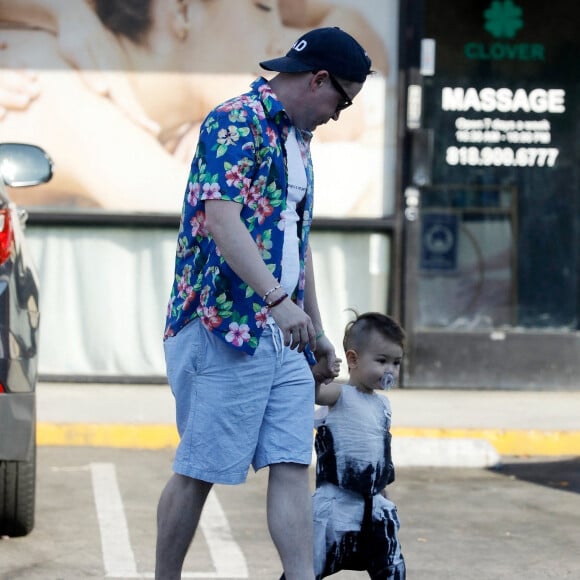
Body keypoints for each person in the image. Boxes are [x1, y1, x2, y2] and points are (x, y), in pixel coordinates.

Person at [157, 27, 373, 580]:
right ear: (318, 79)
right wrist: (277, 299)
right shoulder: (236, 121)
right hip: (222, 326)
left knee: (290, 463)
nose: (339, 115)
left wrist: (317, 330)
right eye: (341, 100)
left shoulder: (298, 140)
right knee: (199, 469)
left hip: (283, 333)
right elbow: (221, 220)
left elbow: (296, 242)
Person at [0, 0, 387, 213]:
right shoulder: (52, 88)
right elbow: (192, 207)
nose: (282, 41)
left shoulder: (153, 113)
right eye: (263, 9)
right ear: (182, 12)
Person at [298, 311, 407, 579]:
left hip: (373, 507)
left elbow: (380, 456)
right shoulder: (340, 394)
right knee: (306, 569)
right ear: (353, 359)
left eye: (396, 362)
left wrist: (384, 495)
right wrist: (317, 375)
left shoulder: (383, 405)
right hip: (336, 506)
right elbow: (313, 395)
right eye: (382, 361)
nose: (390, 370)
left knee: (391, 570)